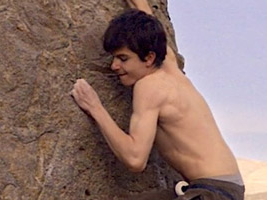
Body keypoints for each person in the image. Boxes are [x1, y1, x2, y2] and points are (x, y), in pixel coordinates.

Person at [70, 1, 244, 199]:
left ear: (149, 58)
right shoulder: (168, 63)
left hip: (212, 193)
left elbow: (135, 158)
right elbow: (145, 10)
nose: (114, 66)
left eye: (123, 58)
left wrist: (95, 107)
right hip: (224, 188)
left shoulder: (149, 86)